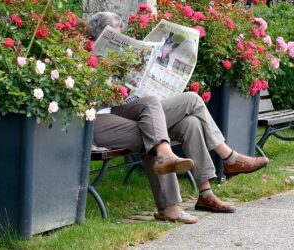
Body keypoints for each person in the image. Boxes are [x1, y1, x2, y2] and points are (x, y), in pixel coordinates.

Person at [88, 12, 269, 223]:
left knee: (188, 122)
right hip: (101, 119)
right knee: (189, 101)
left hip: (128, 109)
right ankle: (226, 159)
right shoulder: (84, 55)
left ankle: (205, 194)